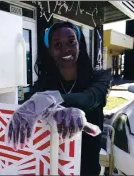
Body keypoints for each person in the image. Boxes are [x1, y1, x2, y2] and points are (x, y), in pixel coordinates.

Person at [8, 21, 112, 176]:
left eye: (71, 42)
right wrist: (49, 111)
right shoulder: (44, 84)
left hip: (87, 168)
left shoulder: (100, 77)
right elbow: (28, 108)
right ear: (50, 51)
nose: (66, 49)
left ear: (79, 43)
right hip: (52, 165)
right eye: (57, 45)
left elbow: (91, 98)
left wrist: (53, 99)